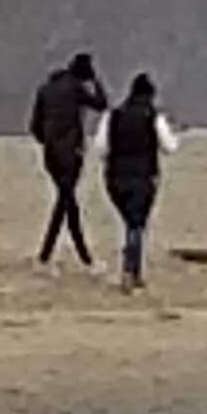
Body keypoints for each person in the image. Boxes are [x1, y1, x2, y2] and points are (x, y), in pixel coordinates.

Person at [28, 53, 109, 270]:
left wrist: (48, 141)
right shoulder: (76, 89)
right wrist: (96, 81)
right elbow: (102, 104)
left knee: (66, 202)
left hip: (50, 154)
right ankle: (59, 257)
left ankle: (69, 257)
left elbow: (34, 126)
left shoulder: (45, 89)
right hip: (71, 154)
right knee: (66, 202)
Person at [104, 72, 175, 291]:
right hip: (143, 177)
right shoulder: (152, 117)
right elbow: (169, 147)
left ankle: (135, 271)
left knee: (131, 223)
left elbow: (101, 148)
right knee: (136, 224)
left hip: (115, 178)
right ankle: (129, 270)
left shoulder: (114, 116)